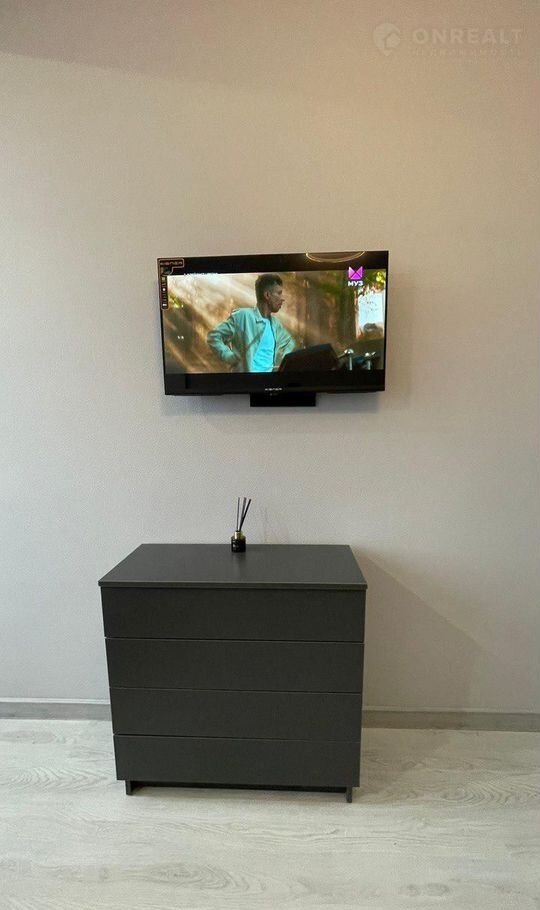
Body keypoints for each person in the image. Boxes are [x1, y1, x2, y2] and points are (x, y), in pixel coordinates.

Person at [207, 274, 295, 372]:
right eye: (279, 293)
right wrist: (229, 356)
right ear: (267, 295)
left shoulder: (275, 324)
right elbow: (214, 336)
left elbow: (289, 343)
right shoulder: (243, 316)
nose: (282, 298)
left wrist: (282, 362)